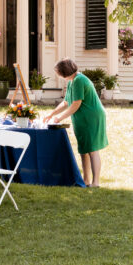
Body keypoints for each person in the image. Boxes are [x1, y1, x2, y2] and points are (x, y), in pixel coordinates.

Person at [43, 58, 108, 187]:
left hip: (91, 117)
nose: (58, 74)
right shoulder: (72, 82)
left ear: (64, 71)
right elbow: (66, 102)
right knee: (84, 149)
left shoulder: (79, 80)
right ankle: (85, 180)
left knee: (92, 149)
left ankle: (95, 182)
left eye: (58, 72)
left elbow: (76, 104)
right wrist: (52, 114)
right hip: (81, 119)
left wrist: (59, 118)